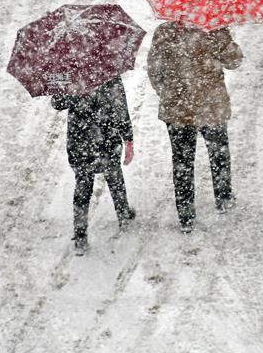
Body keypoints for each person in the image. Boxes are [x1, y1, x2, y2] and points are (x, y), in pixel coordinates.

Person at [147, 21, 243, 233]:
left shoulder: (165, 32)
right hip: (211, 106)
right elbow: (234, 61)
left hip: (178, 109)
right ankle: (223, 197)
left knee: (182, 161)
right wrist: (227, 43)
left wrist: (168, 92)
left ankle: (186, 214)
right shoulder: (215, 30)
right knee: (218, 154)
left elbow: (154, 70)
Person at [51, 76, 136, 255]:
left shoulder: (69, 70)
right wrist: (127, 137)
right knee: (114, 176)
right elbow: (120, 105)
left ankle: (80, 234)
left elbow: (57, 103)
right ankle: (123, 215)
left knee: (83, 182)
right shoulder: (108, 68)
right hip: (107, 133)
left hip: (79, 137)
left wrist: (72, 93)